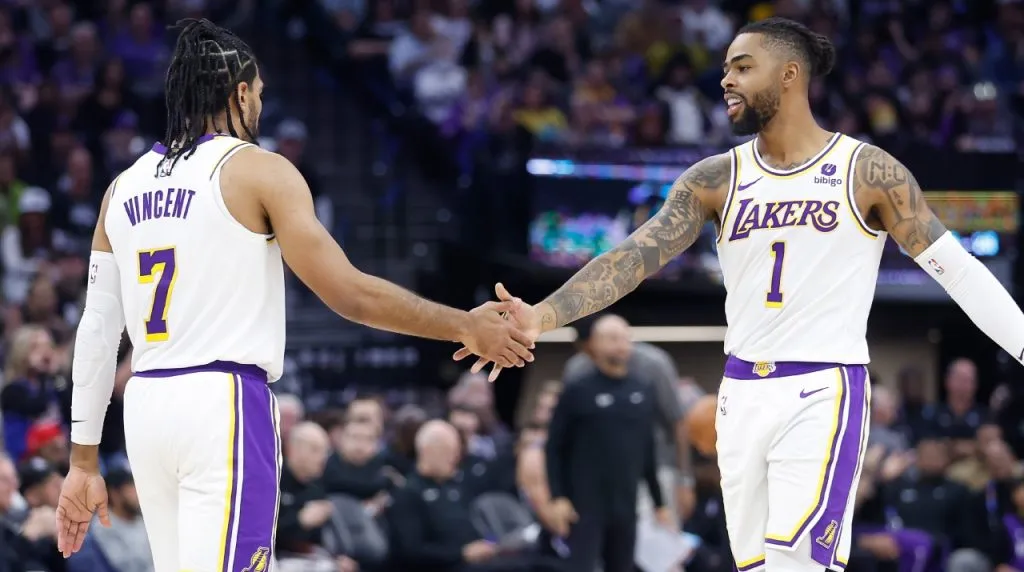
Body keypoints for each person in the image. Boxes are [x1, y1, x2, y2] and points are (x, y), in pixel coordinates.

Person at [457, 16, 1024, 572]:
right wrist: (544, 314)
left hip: (822, 386)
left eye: (743, 67)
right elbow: (631, 260)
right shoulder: (714, 179)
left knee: (796, 563)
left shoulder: (864, 169)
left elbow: (959, 270)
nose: (726, 80)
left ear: (789, 75)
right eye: (726, 68)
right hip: (739, 395)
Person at [54, 18, 535, 571]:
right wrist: (464, 325)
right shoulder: (258, 170)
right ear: (239, 93)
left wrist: (83, 460)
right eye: (258, 95)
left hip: (148, 406)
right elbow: (350, 294)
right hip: (223, 402)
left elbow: (96, 331)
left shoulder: (122, 187)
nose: (259, 108)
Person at [545, 314, 672, 572]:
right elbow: (554, 446)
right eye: (613, 339)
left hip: (626, 503)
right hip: (585, 504)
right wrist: (558, 496)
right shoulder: (577, 389)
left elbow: (647, 450)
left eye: (626, 338)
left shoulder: (643, 389)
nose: (621, 345)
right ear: (595, 343)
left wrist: (660, 503)